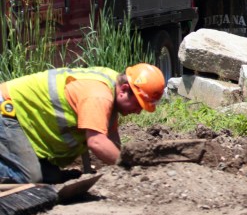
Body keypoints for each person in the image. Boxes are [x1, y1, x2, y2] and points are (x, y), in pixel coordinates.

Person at [0, 63, 165, 184]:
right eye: (138, 104)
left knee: (51, 179)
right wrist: (129, 168)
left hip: (17, 117)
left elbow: (111, 137)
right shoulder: (98, 95)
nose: (138, 111)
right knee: (28, 179)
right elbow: (97, 142)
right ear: (124, 90)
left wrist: (128, 164)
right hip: (6, 110)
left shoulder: (111, 83)